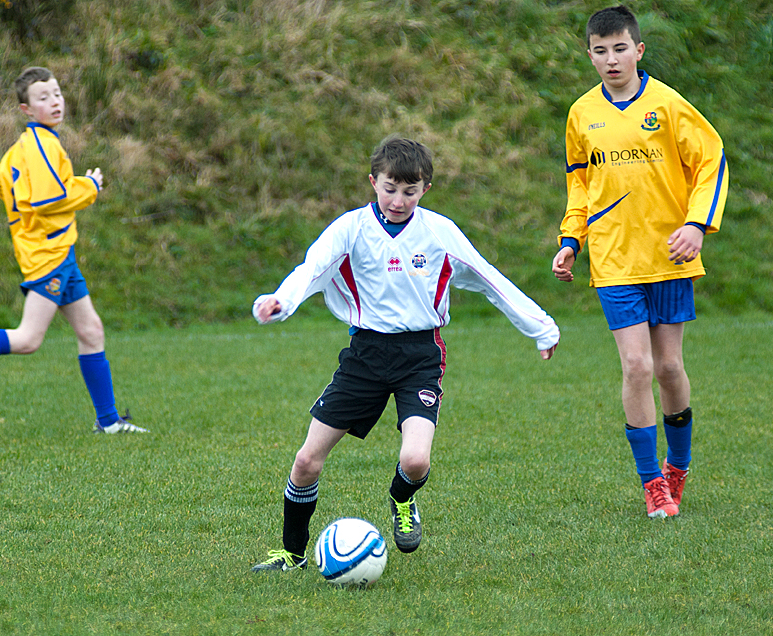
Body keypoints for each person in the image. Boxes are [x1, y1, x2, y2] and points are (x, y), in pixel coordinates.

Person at [251, 136, 560, 571]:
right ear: (373, 181)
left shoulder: (438, 232)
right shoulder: (351, 228)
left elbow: (488, 278)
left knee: (415, 460)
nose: (398, 200)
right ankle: (291, 554)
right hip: (365, 355)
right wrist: (280, 303)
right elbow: (312, 269)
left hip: (420, 356)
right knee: (306, 460)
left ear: (425, 189)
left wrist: (541, 327)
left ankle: (402, 499)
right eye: (390, 188)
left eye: (410, 191)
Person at [551, 6, 728, 519]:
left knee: (670, 368)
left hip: (668, 257)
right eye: (601, 51)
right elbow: (580, 185)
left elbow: (712, 158)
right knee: (637, 365)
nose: (611, 59)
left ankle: (679, 465)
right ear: (590, 55)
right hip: (614, 260)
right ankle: (652, 483)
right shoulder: (581, 113)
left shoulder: (667, 105)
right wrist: (571, 240)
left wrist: (696, 225)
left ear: (638, 50)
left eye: (620, 49)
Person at [0, 66, 147, 434]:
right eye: (43, 98)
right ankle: (107, 421)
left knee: (91, 330)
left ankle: (108, 422)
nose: (54, 102)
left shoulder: (25, 146)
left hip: (61, 254)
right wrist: (88, 185)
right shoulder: (40, 143)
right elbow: (48, 198)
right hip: (49, 257)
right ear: (26, 110)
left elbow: (0, 180)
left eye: (56, 93)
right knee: (27, 339)